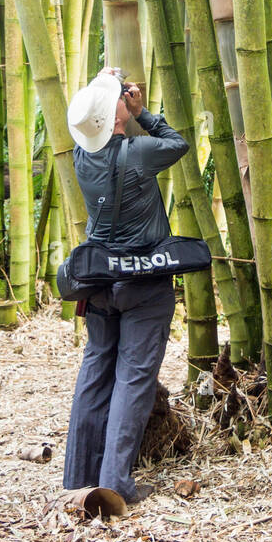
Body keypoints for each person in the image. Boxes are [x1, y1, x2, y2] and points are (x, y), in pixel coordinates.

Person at [62, 68, 189, 505]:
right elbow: (179, 144)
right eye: (118, 97)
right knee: (133, 380)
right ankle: (116, 485)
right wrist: (143, 113)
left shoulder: (82, 157)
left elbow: (92, 126)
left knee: (95, 373)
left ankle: (77, 477)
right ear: (117, 115)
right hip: (145, 284)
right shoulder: (139, 151)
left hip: (99, 283)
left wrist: (105, 91)